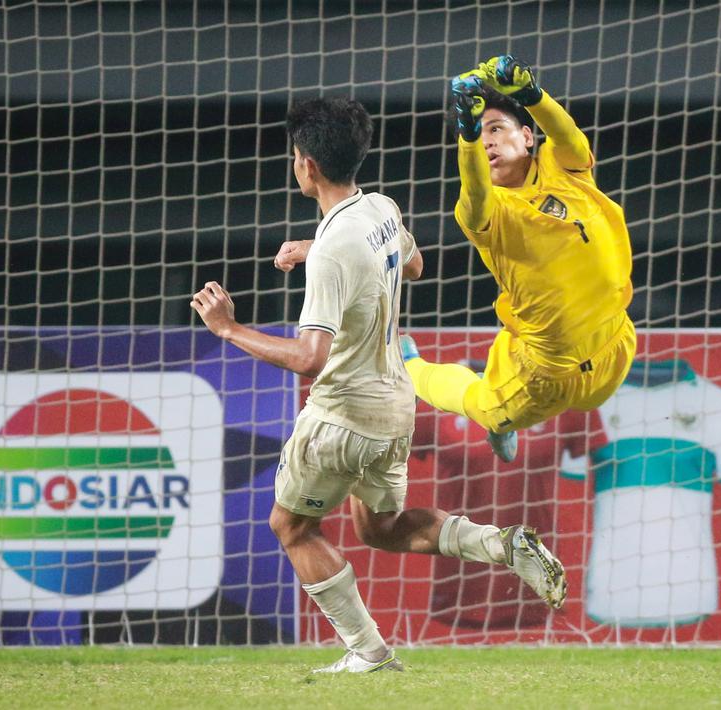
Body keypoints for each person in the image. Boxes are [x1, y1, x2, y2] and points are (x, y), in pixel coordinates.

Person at [191, 97, 566, 674]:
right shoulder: (381, 209)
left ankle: (367, 652)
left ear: (307, 166)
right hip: (395, 406)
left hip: (342, 414)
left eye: (296, 156)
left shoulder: (333, 251)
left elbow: (310, 358)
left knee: (290, 527)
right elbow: (412, 267)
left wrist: (228, 327)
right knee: (381, 529)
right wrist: (314, 246)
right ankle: (502, 545)